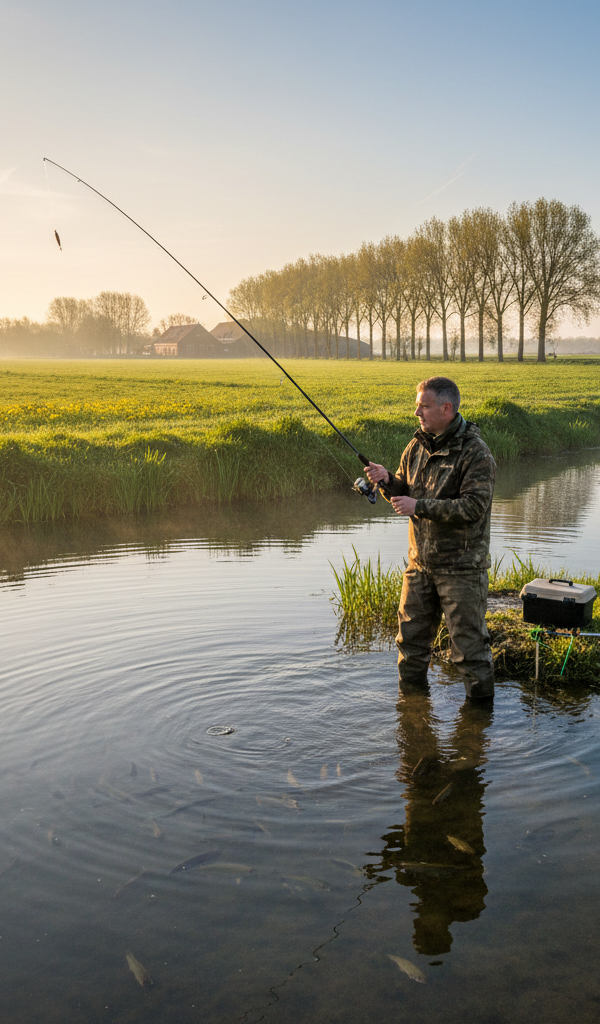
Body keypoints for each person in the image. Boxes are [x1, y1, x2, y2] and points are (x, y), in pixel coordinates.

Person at [366, 376, 496, 699]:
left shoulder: (476, 453)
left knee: (470, 653)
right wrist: (387, 482)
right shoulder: (416, 447)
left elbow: (473, 507)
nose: (417, 413)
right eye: (417, 405)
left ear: (446, 408)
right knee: (409, 646)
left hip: (462, 571)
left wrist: (418, 506)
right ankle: (412, 718)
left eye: (423, 406)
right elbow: (404, 493)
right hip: (419, 567)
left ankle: (479, 731)